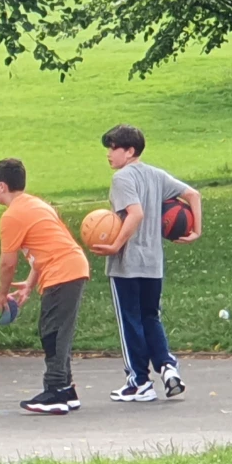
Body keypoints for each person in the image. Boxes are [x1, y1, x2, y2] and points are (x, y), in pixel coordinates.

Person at [86, 125, 201, 402]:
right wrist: (196, 230)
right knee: (150, 317)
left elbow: (135, 214)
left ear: (129, 151)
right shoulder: (156, 175)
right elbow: (193, 195)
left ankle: (139, 382)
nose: (109, 154)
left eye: (113, 148)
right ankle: (167, 367)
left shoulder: (122, 178)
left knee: (130, 322)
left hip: (127, 263)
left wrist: (115, 245)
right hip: (153, 262)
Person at [0, 157, 91, 414]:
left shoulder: (12, 216)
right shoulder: (36, 204)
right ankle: (66, 389)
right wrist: (29, 285)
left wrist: (1, 294)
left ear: (1, 186)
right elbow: (47, 245)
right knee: (59, 332)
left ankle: (55, 391)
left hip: (62, 271)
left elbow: (7, 264)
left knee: (52, 333)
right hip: (71, 266)